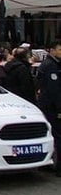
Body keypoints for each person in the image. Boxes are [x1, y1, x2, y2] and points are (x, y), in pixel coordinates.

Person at [36, 40, 61, 177]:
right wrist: (59, 109)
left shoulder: (52, 64)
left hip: (48, 106)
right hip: (51, 108)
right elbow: (54, 91)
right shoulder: (51, 66)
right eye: (59, 50)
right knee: (57, 135)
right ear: (51, 50)